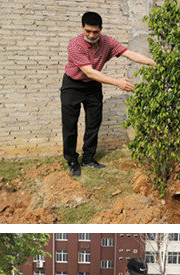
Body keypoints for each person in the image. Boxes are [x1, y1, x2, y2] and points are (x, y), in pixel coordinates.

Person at [61, 11, 156, 177]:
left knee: (94, 122)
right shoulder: (75, 45)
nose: (91, 35)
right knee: (70, 125)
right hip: (73, 85)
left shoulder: (107, 42)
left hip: (93, 86)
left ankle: (89, 158)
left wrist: (152, 62)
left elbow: (130, 54)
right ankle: (72, 160)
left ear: (101, 29)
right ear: (82, 28)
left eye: (95, 32)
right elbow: (89, 72)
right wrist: (117, 82)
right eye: (88, 31)